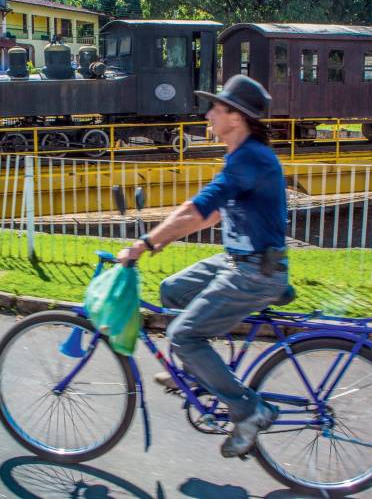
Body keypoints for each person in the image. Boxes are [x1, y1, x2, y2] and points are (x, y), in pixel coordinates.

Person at [117, 74, 291, 458]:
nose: (209, 113)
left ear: (236, 117)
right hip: (240, 261)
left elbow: (196, 210)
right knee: (173, 290)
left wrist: (144, 244)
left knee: (182, 335)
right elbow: (207, 217)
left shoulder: (251, 158)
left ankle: (249, 410)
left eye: (217, 107)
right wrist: (161, 238)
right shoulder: (241, 156)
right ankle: (199, 375)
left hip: (255, 271)